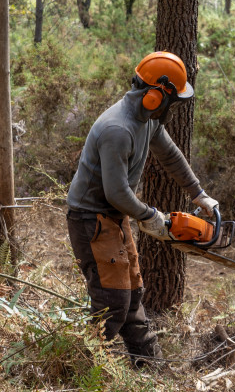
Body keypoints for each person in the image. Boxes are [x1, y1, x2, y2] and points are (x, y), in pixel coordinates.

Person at [66, 51, 219, 366]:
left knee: (132, 294)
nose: (171, 109)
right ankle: (86, 372)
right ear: (154, 96)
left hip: (113, 217)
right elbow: (117, 192)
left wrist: (198, 193)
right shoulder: (117, 130)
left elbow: (171, 155)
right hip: (89, 219)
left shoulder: (146, 121)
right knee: (112, 301)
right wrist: (152, 217)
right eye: (171, 100)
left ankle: (150, 368)